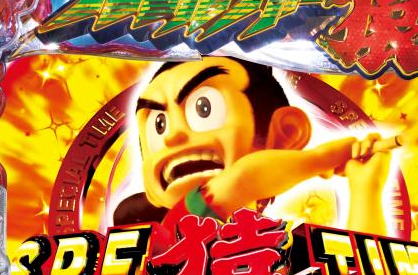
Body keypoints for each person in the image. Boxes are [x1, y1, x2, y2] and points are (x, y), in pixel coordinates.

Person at [114, 56, 396, 233]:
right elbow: (242, 179)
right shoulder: (179, 226)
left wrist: (366, 190)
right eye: (158, 124)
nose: (172, 136)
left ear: (287, 133)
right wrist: (324, 158)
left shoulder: (279, 247)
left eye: (204, 109)